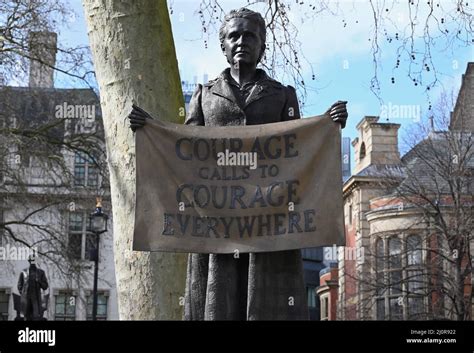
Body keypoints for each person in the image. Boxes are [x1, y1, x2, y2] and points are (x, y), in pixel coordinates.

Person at [128, 8, 347, 320]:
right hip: (217, 228)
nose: (242, 41)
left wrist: (328, 125)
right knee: (220, 303)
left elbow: (300, 151)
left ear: (262, 46)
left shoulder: (283, 95)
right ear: (224, 45)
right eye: (234, 36)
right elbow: (184, 153)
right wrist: (150, 130)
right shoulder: (204, 96)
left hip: (270, 228)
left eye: (250, 35)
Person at [17, 254, 49, 320]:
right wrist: (23, 293)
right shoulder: (23, 272)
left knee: (36, 317)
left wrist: (39, 281)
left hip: (36, 298)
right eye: (31, 260)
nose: (32, 262)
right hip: (26, 298)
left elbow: (45, 286)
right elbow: (20, 284)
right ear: (29, 261)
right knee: (26, 317)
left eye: (34, 260)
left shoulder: (41, 272)